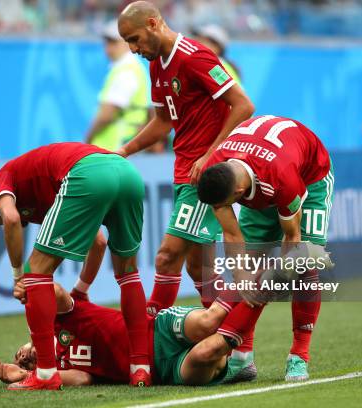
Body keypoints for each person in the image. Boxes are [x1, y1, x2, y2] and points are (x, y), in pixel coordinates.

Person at [115, 1, 254, 322]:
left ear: (153, 23)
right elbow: (163, 122)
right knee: (197, 267)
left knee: (166, 258)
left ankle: (145, 339)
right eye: (127, 43)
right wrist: (124, 151)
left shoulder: (195, 56)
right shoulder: (156, 65)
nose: (133, 49)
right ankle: (234, 339)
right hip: (184, 171)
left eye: (134, 39)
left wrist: (211, 155)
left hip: (206, 175)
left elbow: (243, 105)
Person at [0, 142, 151, 390]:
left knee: (35, 271)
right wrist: (81, 289)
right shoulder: (49, 191)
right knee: (128, 273)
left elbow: (12, 219)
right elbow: (98, 242)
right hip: (127, 173)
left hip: (88, 172)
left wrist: (18, 277)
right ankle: (140, 368)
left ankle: (46, 375)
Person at [197, 115, 334, 381]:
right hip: (264, 177)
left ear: (238, 191)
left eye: (225, 204)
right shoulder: (215, 169)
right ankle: (242, 357)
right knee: (246, 264)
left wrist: (277, 279)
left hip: (309, 178)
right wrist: (241, 275)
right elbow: (231, 232)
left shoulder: (282, 179)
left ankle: (299, 356)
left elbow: (292, 239)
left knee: (303, 262)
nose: (222, 210)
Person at [0, 281, 256, 386]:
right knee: (207, 352)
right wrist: (28, 375)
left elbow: (57, 293)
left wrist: (33, 288)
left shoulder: (61, 320)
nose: (25, 357)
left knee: (210, 322)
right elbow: (82, 379)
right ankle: (239, 359)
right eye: (25, 361)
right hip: (166, 371)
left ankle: (259, 276)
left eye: (21, 353)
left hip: (158, 330)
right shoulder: (59, 367)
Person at [85, 20, 151, 152]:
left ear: (128, 43)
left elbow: (107, 114)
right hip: (121, 148)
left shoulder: (126, 71)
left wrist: (88, 138)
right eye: (107, 42)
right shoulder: (127, 68)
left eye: (114, 42)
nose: (108, 48)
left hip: (117, 148)